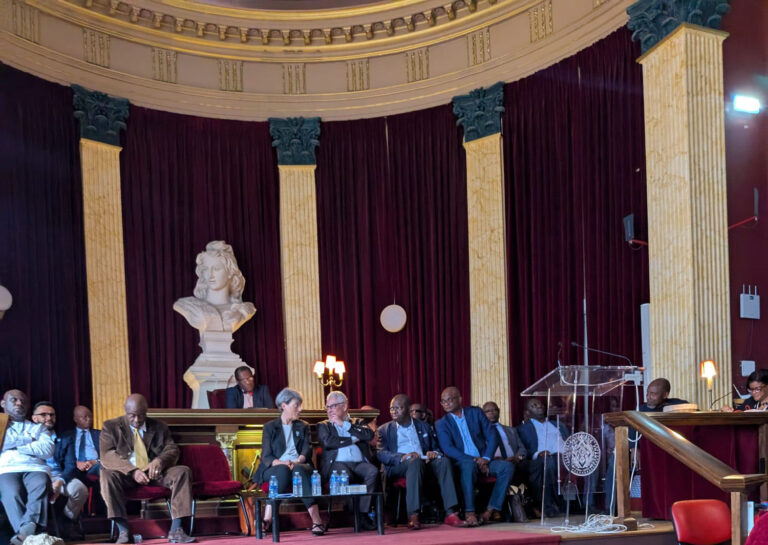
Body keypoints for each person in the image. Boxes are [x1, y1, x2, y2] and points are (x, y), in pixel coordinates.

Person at [100, 394, 195, 544]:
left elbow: (172, 449)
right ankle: (123, 531)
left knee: (182, 471)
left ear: (146, 411)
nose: (137, 420)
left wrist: (160, 461)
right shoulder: (110, 427)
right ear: (125, 410)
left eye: (141, 415)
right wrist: (132, 471)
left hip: (155, 473)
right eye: (132, 416)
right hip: (126, 475)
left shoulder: (159, 426)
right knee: (106, 475)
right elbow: (107, 455)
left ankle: (176, 530)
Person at [377, 394, 464, 530]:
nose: (393, 411)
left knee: (444, 462)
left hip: (424, 461)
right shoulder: (384, 430)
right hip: (399, 465)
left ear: (408, 409)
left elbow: (436, 448)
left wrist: (433, 453)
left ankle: (451, 513)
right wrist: (403, 456)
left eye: (398, 408)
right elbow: (381, 453)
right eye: (391, 408)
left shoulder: (424, 426)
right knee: (414, 462)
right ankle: (413, 515)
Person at [251, 388, 326, 536]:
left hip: (300, 464)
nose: (300, 409)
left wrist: (297, 461)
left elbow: (307, 451)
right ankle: (268, 518)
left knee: (298, 470)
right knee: (283, 470)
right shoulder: (270, 427)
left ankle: (316, 520)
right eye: (296, 405)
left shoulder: (303, 426)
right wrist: (283, 463)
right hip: (275, 467)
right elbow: (266, 456)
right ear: (284, 405)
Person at [435, 387, 513, 527]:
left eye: (450, 399)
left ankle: (489, 511)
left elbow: (492, 435)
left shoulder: (475, 413)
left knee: (506, 467)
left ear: (460, 399)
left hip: (484, 459)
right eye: (443, 401)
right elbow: (448, 448)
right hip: (461, 462)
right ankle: (469, 512)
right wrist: (475, 460)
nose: (446, 403)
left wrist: (486, 458)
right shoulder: (441, 423)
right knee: (469, 465)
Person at [317, 391, 379, 530]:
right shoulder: (324, 425)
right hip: (337, 464)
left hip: (359, 464)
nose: (329, 410)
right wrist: (353, 439)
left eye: (333, 406)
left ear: (344, 406)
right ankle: (356, 514)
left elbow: (368, 435)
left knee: (373, 472)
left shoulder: (358, 422)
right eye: (327, 407)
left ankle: (362, 513)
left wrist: (345, 425)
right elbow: (328, 442)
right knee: (345, 475)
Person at [0, 390, 54, 545]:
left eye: (23, 401)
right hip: (6, 469)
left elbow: (47, 450)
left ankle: (23, 536)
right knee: (11, 492)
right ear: (3, 404)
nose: (19, 403)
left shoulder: (38, 428)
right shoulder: (0, 424)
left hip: (35, 468)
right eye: (14, 400)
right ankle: (29, 535)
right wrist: (29, 439)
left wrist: (14, 446)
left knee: (41, 484)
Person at [173, 240, 256, 334]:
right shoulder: (189, 305)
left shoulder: (243, 310)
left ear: (230, 272)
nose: (210, 274)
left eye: (217, 268)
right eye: (206, 269)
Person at [30, 401, 88, 534]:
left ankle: (66, 521)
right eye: (43, 415)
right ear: (34, 418)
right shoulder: (27, 438)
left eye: (52, 415)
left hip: (58, 476)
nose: (49, 418)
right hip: (35, 475)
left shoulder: (65, 438)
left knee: (80, 489)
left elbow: (70, 465)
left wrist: (60, 481)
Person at [517, 398, 569, 518]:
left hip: (565, 458)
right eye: (534, 405)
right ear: (527, 412)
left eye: (540, 404)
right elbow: (523, 449)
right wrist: (537, 453)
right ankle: (550, 505)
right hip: (542, 459)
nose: (539, 406)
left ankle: (588, 505)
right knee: (547, 462)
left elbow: (569, 440)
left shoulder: (557, 424)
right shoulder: (523, 428)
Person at [63, 405, 101, 479]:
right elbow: (60, 456)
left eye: (90, 416)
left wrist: (95, 461)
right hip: (73, 467)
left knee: (105, 469)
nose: (89, 419)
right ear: (75, 419)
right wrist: (75, 463)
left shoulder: (100, 434)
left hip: (95, 466)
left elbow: (108, 454)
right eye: (85, 417)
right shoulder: (66, 436)